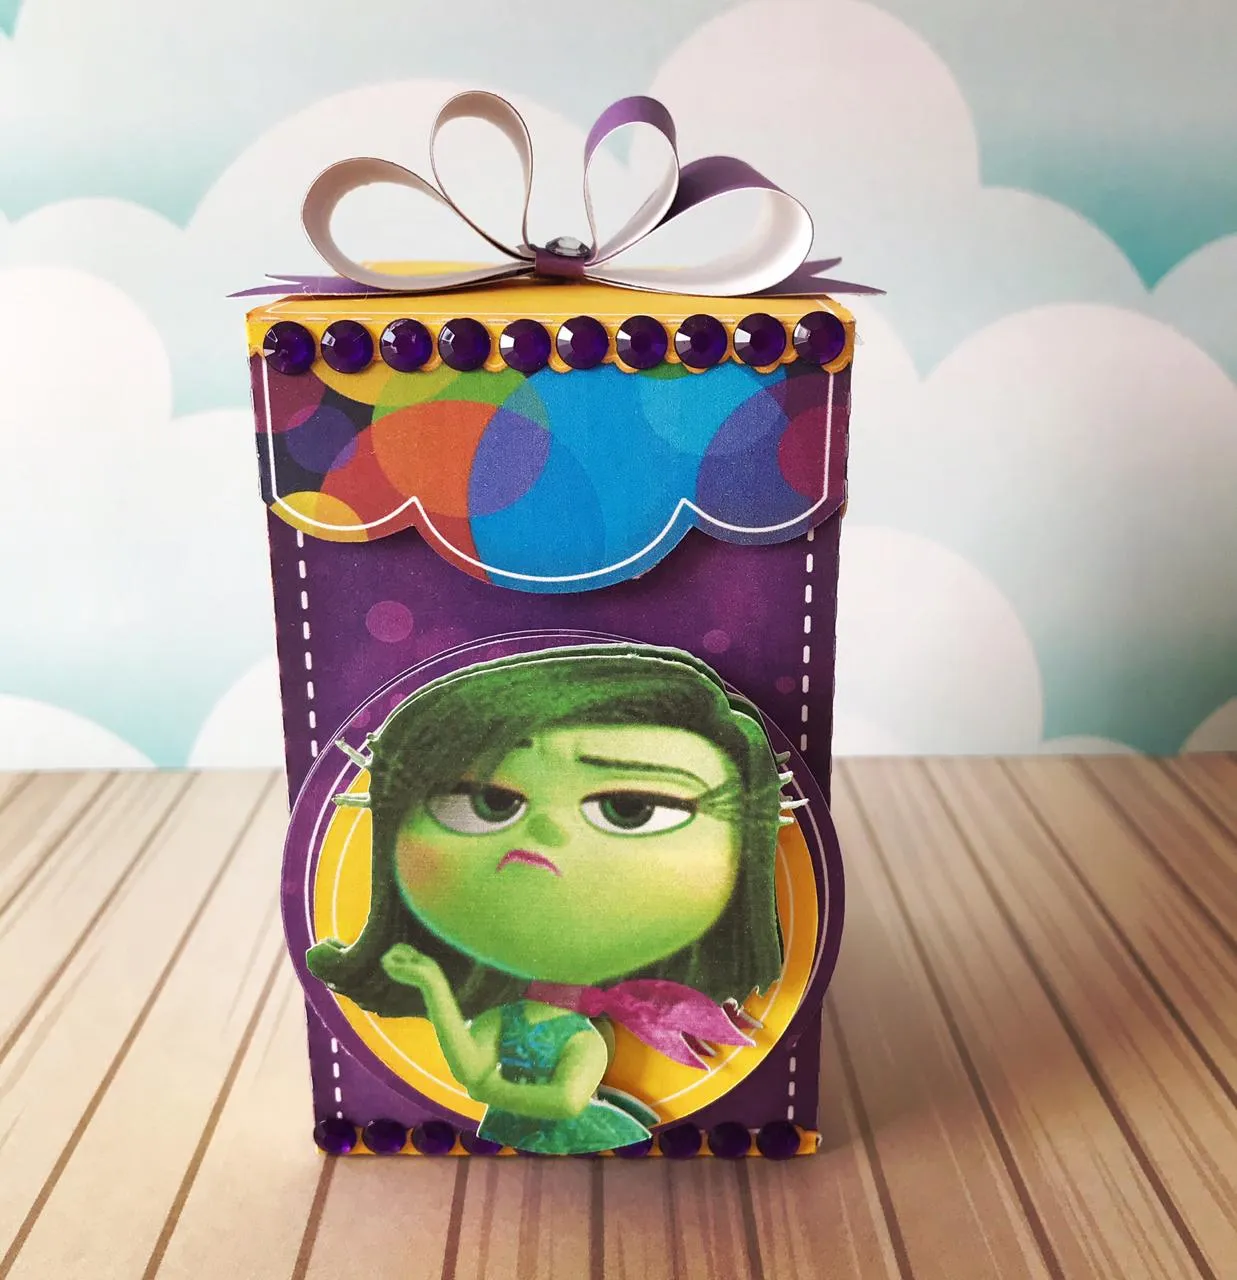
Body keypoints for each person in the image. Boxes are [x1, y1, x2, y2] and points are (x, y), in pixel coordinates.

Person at [307, 643, 794, 1154]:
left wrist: (492, 1089)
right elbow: (470, 1069)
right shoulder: (507, 1019)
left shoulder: (582, 1039)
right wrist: (431, 983)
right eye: (493, 800)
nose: (547, 833)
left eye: (630, 807)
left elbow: (560, 1099)